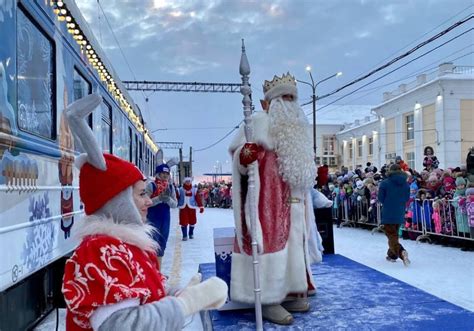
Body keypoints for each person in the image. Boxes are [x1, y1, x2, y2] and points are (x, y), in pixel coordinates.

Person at [61, 94, 227, 330]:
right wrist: (187, 303)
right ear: (117, 201)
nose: (149, 201)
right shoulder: (100, 252)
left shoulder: (124, 245)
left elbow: (145, 292)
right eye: (140, 194)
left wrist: (181, 293)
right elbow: (121, 325)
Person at [229, 72, 322, 325]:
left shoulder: (298, 131)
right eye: (284, 98)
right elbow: (239, 157)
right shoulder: (258, 123)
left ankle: (290, 290)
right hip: (266, 204)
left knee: (293, 246)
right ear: (268, 103)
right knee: (270, 246)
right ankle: (269, 298)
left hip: (294, 203)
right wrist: (244, 156)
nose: (289, 103)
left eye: (293, 98)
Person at [377, 163, 411, 266]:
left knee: (391, 235)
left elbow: (380, 198)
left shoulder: (385, 183)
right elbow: (407, 198)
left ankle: (401, 252)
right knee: (394, 235)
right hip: (400, 212)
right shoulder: (406, 184)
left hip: (388, 212)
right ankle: (392, 255)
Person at [146, 163, 177, 265]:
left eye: (167, 173)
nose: (165, 175)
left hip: (165, 219)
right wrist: (159, 198)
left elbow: (174, 204)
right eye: (163, 173)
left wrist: (167, 199)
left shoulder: (171, 187)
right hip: (152, 218)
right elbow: (145, 202)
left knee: (162, 244)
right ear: (158, 174)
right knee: (151, 244)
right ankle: (151, 271)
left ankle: (158, 272)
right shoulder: (151, 186)